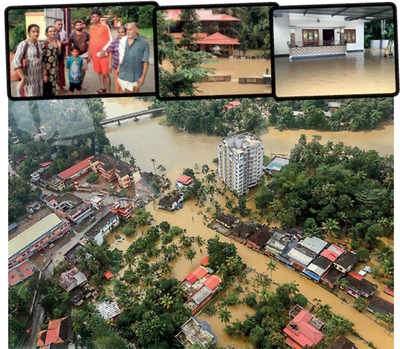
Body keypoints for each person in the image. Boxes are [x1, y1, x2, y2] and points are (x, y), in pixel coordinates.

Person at [12, 24, 47, 97]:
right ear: (29, 33)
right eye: (33, 32)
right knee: (30, 98)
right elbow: (15, 61)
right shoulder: (23, 44)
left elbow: (42, 60)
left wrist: (44, 74)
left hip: (38, 78)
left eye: (37, 31)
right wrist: (22, 77)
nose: (36, 33)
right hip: (28, 78)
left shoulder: (39, 44)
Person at [117, 22, 149, 93]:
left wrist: (143, 77)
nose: (128, 32)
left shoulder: (144, 43)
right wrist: (118, 67)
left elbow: (145, 62)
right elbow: (120, 55)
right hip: (122, 74)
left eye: (130, 29)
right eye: (127, 30)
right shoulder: (123, 41)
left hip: (135, 77)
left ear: (137, 30)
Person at [88, 10, 112, 94]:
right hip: (95, 54)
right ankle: (102, 88)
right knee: (99, 72)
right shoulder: (91, 28)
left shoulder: (105, 26)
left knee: (106, 73)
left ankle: (108, 91)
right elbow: (91, 41)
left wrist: (104, 50)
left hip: (104, 54)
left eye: (96, 16)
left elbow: (110, 40)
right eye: (93, 17)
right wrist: (90, 54)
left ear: (99, 17)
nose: (94, 18)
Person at [69, 20, 90, 88]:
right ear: (74, 26)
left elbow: (89, 44)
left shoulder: (86, 34)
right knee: (75, 70)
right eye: (77, 25)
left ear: (82, 25)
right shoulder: (72, 35)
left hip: (84, 54)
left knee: (83, 71)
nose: (79, 26)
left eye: (80, 24)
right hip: (75, 55)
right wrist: (69, 55)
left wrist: (89, 55)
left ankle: (81, 84)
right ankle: (74, 84)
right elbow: (69, 45)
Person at [42, 26, 61, 97]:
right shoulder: (44, 43)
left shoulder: (56, 41)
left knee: (55, 84)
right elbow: (42, 59)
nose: (52, 32)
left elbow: (58, 54)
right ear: (46, 33)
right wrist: (44, 74)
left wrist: (59, 47)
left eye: (54, 31)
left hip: (55, 67)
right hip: (47, 69)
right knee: (48, 86)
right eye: (50, 31)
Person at [107, 26, 126, 93]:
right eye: (119, 32)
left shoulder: (129, 42)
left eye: (122, 32)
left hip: (126, 67)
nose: (120, 34)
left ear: (125, 33)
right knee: (118, 84)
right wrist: (109, 64)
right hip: (116, 66)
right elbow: (110, 53)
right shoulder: (114, 41)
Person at [54, 19, 68, 92]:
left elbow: (67, 41)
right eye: (58, 24)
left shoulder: (64, 32)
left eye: (61, 24)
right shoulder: (52, 32)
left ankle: (62, 86)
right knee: (54, 71)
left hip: (61, 54)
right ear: (54, 24)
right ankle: (55, 87)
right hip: (53, 55)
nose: (60, 26)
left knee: (61, 70)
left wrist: (62, 43)